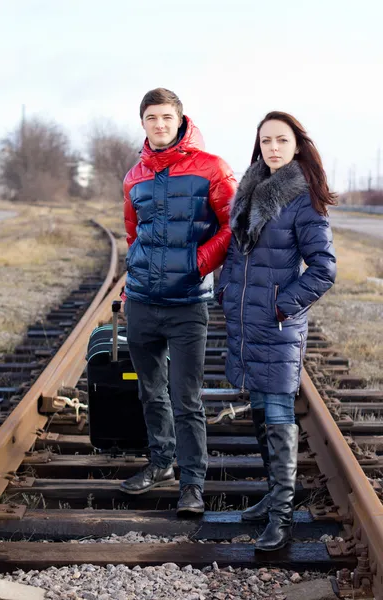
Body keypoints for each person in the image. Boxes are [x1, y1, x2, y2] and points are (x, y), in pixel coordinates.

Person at [217, 111, 336, 550]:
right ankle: (272, 496)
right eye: (266, 140)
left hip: (278, 323)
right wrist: (225, 291)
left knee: (279, 410)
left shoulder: (302, 198)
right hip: (247, 322)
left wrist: (282, 305)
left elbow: (324, 270)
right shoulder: (249, 190)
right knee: (261, 410)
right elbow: (235, 254)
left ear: (296, 145)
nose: (273, 148)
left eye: (281, 140)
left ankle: (282, 518)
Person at [120, 88, 237, 515]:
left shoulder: (212, 168)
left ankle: (192, 483)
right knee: (151, 393)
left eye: (166, 117)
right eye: (152, 118)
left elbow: (233, 224)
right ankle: (160, 463)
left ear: (180, 120)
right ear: (143, 123)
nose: (160, 125)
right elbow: (135, 236)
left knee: (186, 399)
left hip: (188, 303)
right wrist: (130, 282)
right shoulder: (134, 177)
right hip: (142, 303)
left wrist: (199, 262)